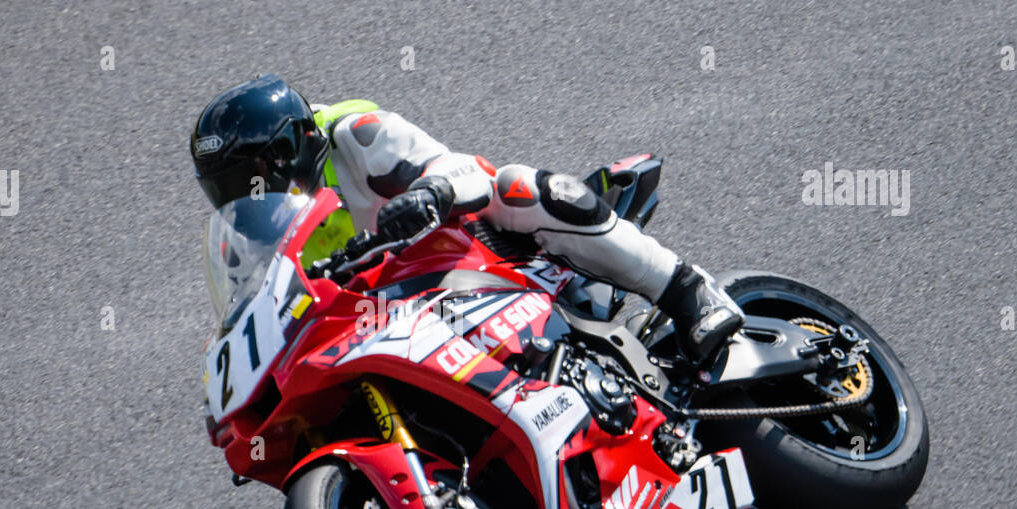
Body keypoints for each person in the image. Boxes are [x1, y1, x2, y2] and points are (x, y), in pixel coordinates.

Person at [191, 74, 744, 362]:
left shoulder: (353, 134)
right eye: (225, 187)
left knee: (517, 187)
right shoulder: (241, 241)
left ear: (287, 152)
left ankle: (689, 292)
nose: (242, 196)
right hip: (377, 322)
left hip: (462, 258)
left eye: (249, 177)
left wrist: (429, 193)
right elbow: (248, 325)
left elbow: (461, 168)